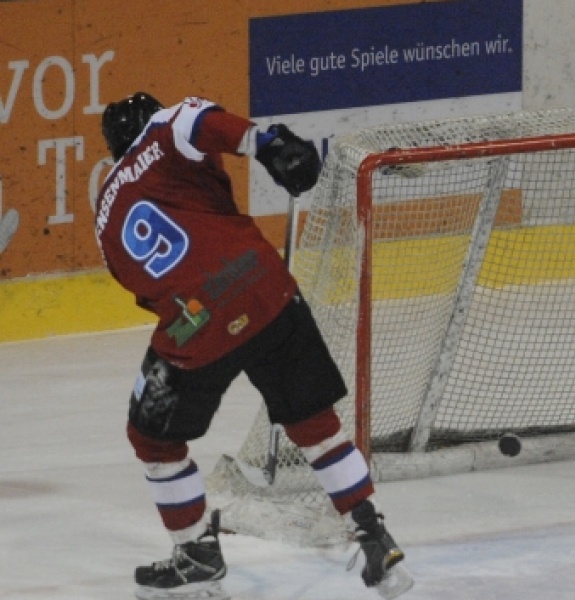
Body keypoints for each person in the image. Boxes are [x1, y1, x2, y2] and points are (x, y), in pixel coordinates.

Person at [95, 93, 413, 599]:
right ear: (149, 115)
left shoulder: (103, 213)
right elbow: (203, 123)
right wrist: (265, 143)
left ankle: (196, 555)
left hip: (195, 320)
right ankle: (374, 537)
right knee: (313, 422)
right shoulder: (165, 127)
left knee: (152, 439)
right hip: (266, 285)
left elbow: (146, 290)